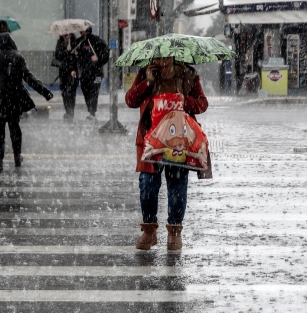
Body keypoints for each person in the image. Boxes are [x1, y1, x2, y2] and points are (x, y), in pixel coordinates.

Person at [125, 57, 208, 251]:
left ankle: (174, 231)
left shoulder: (188, 74)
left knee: (177, 186)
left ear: (173, 57)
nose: (162, 62)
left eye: (166, 58)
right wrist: (147, 82)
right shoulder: (146, 72)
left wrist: (185, 101)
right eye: (158, 58)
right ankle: (149, 229)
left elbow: (203, 104)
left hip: (179, 142)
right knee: (147, 185)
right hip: (150, 141)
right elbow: (130, 100)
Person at [0, 33, 53, 172]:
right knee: (14, 127)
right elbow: (29, 78)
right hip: (13, 98)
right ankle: (17, 156)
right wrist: (45, 92)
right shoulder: (17, 57)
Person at [74, 27, 110, 119]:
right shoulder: (79, 42)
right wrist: (77, 54)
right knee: (85, 91)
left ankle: (92, 112)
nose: (83, 33)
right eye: (81, 31)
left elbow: (106, 54)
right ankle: (90, 109)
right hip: (84, 72)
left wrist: (98, 58)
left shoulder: (97, 41)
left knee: (94, 91)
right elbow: (75, 56)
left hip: (96, 73)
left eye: (85, 31)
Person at [54, 33, 80, 119]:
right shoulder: (60, 43)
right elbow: (57, 55)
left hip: (73, 72)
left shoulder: (75, 43)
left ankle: (71, 111)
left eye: (67, 35)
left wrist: (75, 53)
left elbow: (77, 57)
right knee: (64, 93)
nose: (65, 37)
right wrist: (66, 50)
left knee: (71, 92)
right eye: (64, 35)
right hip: (63, 72)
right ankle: (67, 111)